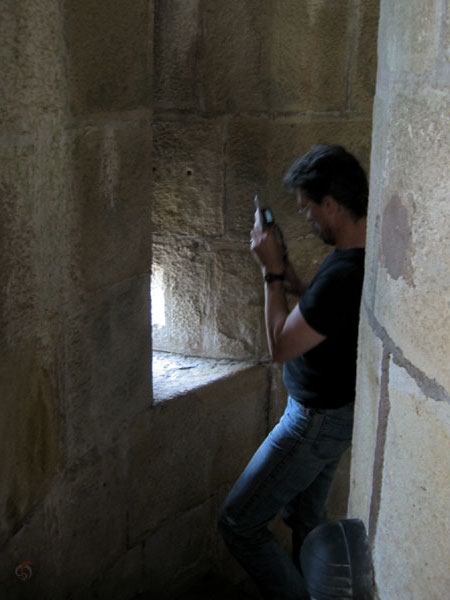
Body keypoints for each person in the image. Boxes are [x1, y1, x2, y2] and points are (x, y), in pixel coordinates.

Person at [218, 144, 368, 600]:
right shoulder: (360, 256)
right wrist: (294, 278)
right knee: (305, 519)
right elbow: (324, 311)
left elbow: (281, 344)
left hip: (312, 422)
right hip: (338, 415)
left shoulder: (344, 273)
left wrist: (271, 273)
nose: (306, 219)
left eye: (308, 209)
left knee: (238, 523)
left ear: (331, 204)